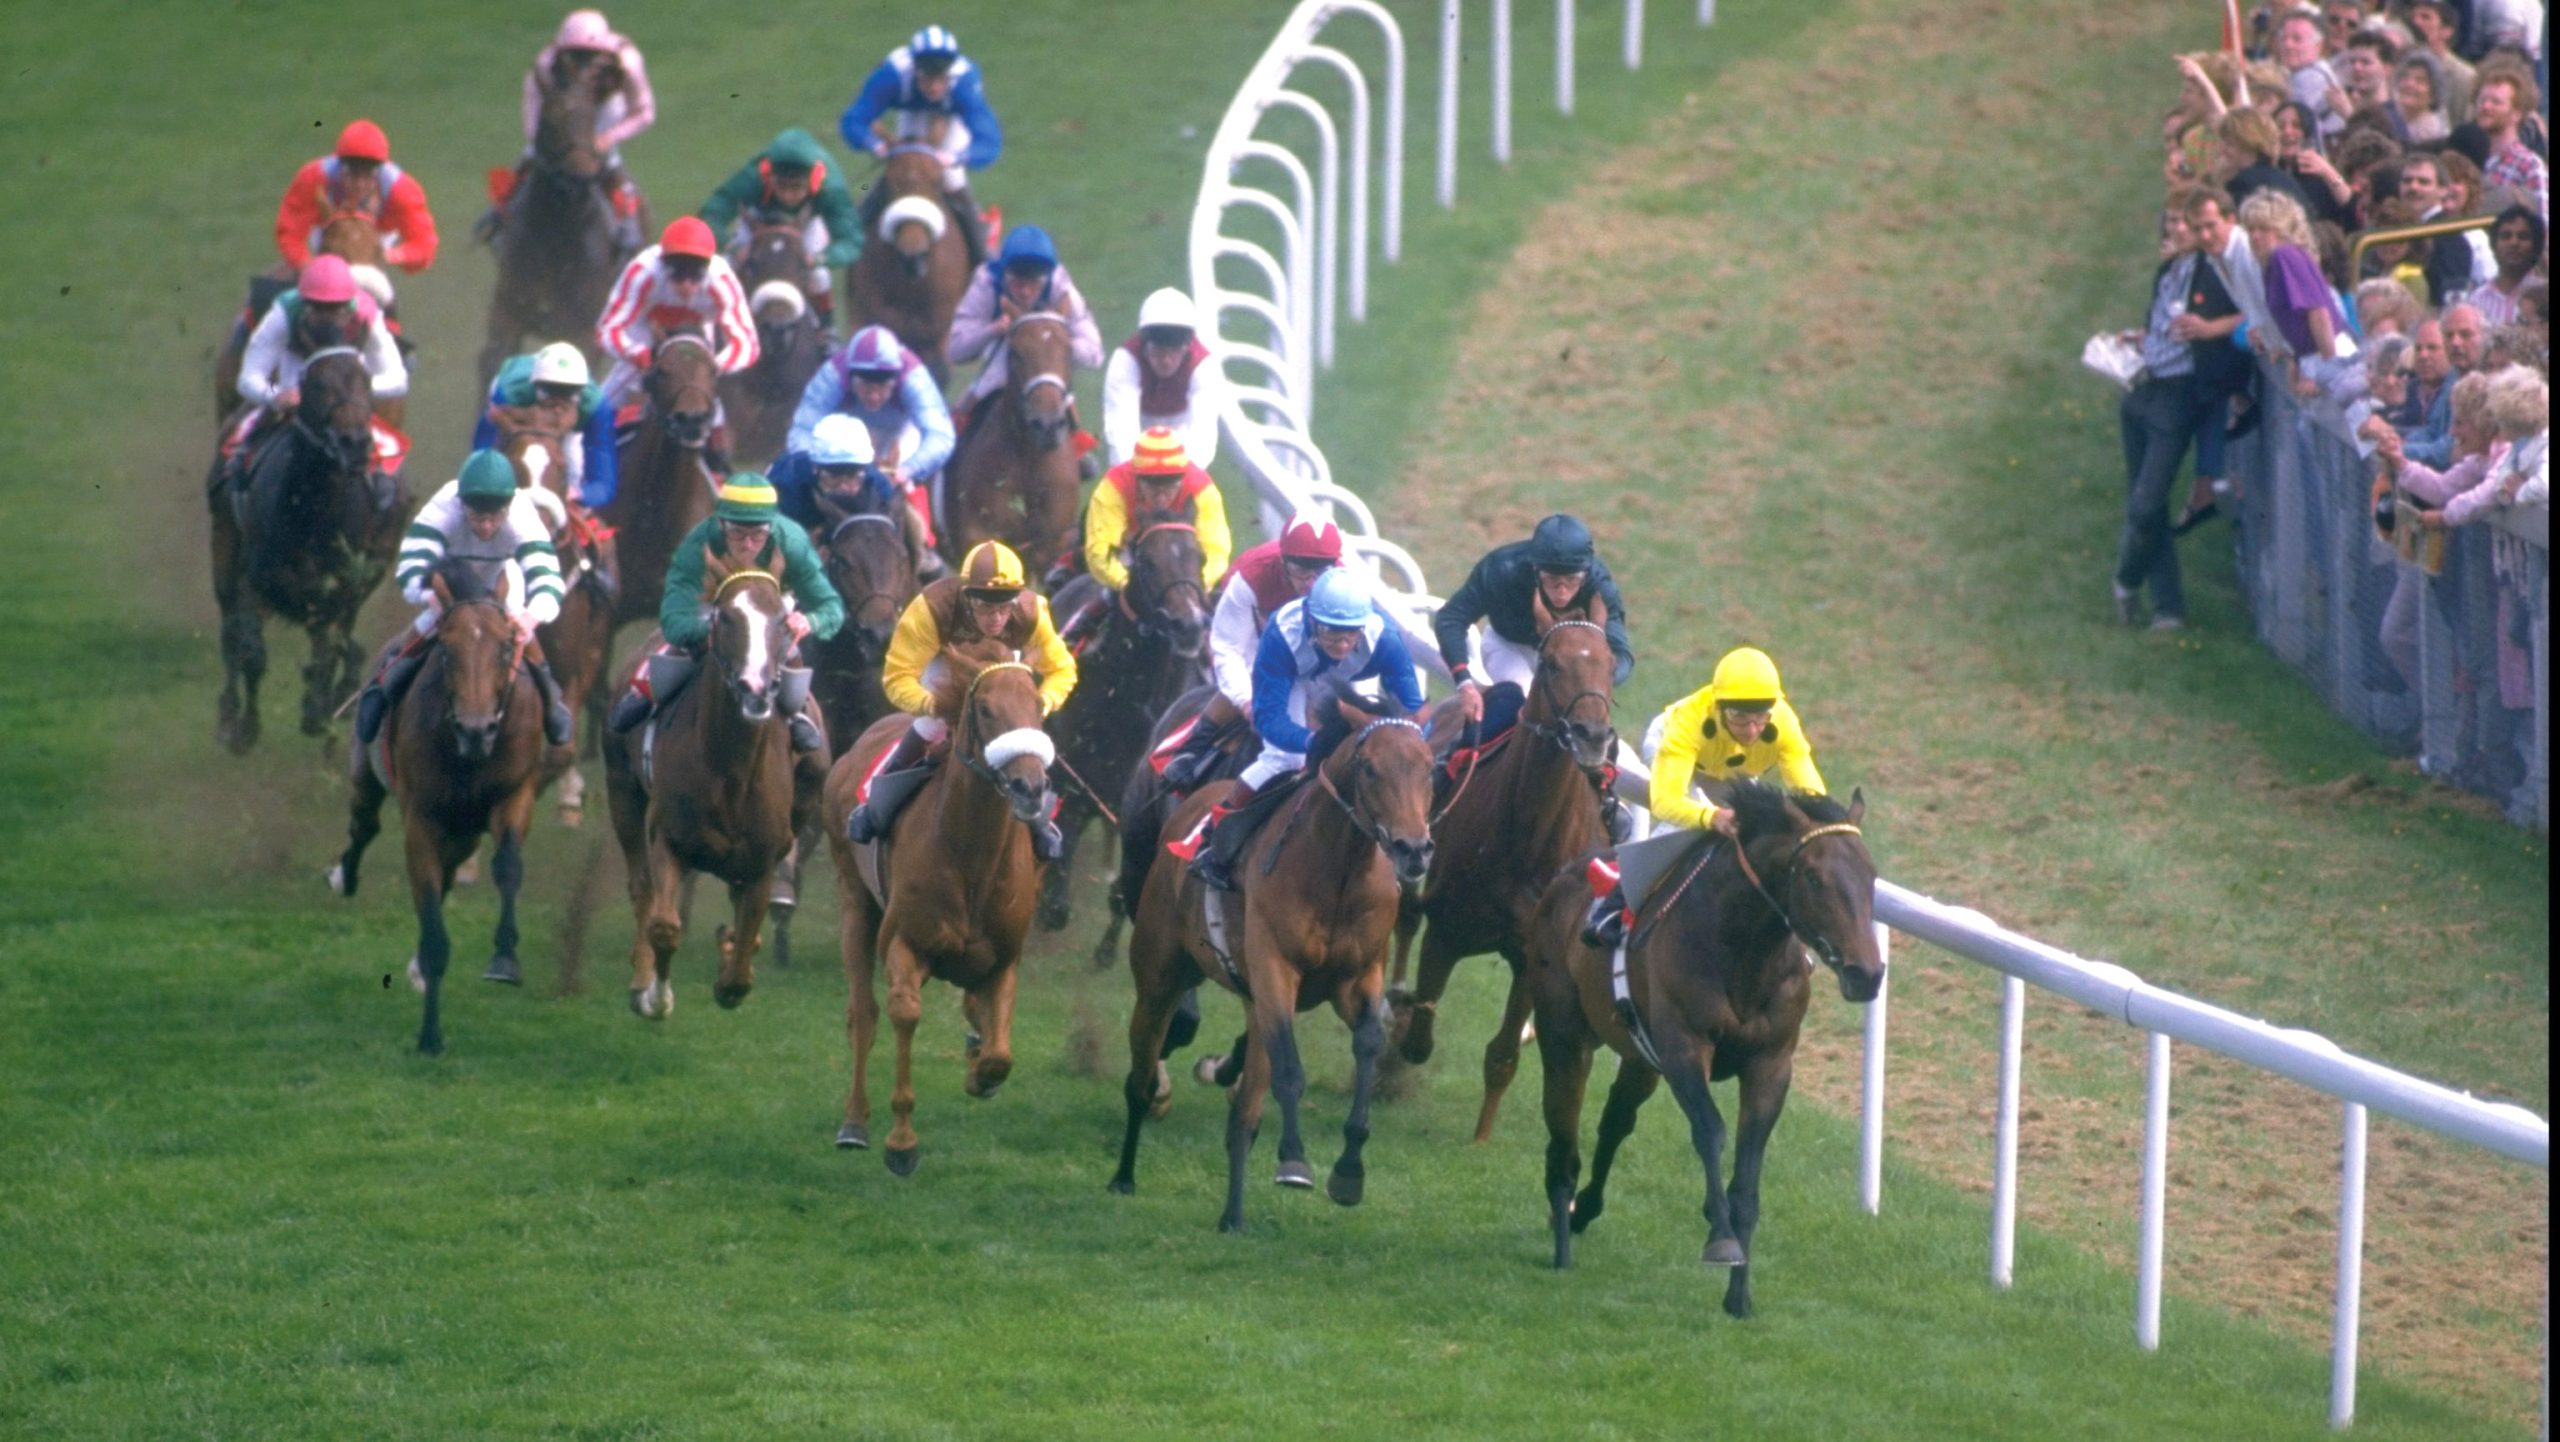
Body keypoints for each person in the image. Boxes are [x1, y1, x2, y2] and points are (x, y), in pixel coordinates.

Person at [1173, 566, 1426, 892]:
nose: (1344, 642)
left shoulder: (1384, 639)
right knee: (1285, 760)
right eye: (1333, 631)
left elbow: (1413, 708)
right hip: (1291, 677)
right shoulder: (1281, 634)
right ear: (1311, 621)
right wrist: (1313, 741)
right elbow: (1269, 720)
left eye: (1352, 632)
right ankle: (1215, 839)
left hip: (1347, 682)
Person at [1581, 647, 1826, 948]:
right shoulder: (1690, 722)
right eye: (1738, 717)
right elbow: (1666, 802)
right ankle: (1613, 899)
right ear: (1719, 707)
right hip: (1674, 751)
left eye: (1760, 717)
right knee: (1691, 825)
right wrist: (1710, 816)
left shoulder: (1783, 723)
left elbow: (1811, 791)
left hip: (1725, 769)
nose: (1751, 730)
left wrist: (1821, 826)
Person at [843, 541, 1076, 852]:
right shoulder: (931, 608)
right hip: (948, 665)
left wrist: (1042, 704)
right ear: (966, 596)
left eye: (1005, 607)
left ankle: (1039, 819)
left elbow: (1063, 671)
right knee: (931, 725)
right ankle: (877, 801)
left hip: (1005, 667)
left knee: (1022, 732)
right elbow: (897, 676)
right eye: (985, 607)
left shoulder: (1033, 612)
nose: (996, 619)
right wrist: (932, 704)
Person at [607, 475, 843, 753]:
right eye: (737, 532)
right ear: (720, 523)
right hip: (715, 607)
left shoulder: (791, 541)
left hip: (772, 610)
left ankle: (797, 714)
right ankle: (646, 693)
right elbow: (674, 614)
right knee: (676, 645)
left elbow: (830, 607)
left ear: (772, 526)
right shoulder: (699, 542)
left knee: (786, 651)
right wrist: (708, 630)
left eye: (758, 534)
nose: (748, 544)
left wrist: (809, 620)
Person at [357, 449, 574, 747]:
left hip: (500, 579)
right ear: (462, 505)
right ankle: (385, 685)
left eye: (495, 517)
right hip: (452, 579)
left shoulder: (522, 514)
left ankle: (550, 700)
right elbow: (412, 564)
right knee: (426, 625)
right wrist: (427, 596)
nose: (486, 526)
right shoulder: (444, 506)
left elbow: (548, 578)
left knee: (524, 636)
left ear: (508, 507)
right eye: (477, 516)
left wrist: (530, 617)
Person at [1156, 513, 1344, 791]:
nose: (1311, 584)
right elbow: (1228, 649)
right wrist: (1246, 702)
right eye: (1302, 573)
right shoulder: (1251, 578)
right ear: (1283, 563)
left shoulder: (1343, 584)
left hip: (1311, 651)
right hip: (1256, 641)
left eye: (1320, 573)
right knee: (1252, 678)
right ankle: (1192, 748)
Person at [1432, 513, 1636, 737]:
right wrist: (1464, 684)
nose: (1561, 591)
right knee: (1526, 700)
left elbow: (1621, 653)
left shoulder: (1599, 584)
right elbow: (1451, 618)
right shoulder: (1502, 569)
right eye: (1551, 579)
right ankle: (1461, 755)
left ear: (1586, 573)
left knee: (1587, 716)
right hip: (1509, 645)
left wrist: (1596, 678)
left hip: (1569, 657)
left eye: (1571, 580)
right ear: (1535, 569)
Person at [225, 255, 408, 485]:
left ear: (348, 304)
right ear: (305, 303)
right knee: (237, 439)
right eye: (319, 308)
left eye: (336, 309)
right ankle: (237, 469)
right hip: (294, 377)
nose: (328, 317)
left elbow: (398, 379)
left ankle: (387, 488)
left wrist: (356, 392)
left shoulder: (367, 315)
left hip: (348, 384)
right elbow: (247, 378)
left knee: (383, 453)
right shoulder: (283, 313)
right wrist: (274, 397)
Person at [786, 324, 953, 571]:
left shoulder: (913, 375)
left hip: (897, 436)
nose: (874, 396)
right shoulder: (833, 373)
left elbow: (941, 435)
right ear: (851, 377)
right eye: (866, 387)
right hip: (844, 436)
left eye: (883, 388)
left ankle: (923, 556)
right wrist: (820, 465)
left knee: (898, 485)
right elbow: (801, 430)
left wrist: (908, 470)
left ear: (896, 380)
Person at [839, 24, 1002, 265]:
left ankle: (981, 254)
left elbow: (989, 140)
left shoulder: (964, 84)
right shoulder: (891, 76)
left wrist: (956, 158)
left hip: (952, 117)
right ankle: (853, 230)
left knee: (952, 178)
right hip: (912, 111)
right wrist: (877, 146)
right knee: (905, 170)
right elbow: (853, 120)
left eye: (942, 79)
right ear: (915, 71)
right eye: (928, 78)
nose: (935, 87)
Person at [497, 10, 655, 251]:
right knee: (530, 157)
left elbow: (644, 112)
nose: (582, 62)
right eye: (574, 54)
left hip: (606, 112)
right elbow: (533, 112)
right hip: (559, 114)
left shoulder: (628, 64)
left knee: (609, 162)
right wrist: (547, 144)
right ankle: (501, 215)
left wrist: (606, 139)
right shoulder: (546, 65)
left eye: (589, 55)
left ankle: (628, 223)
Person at [592, 216, 759, 429]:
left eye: (695, 276)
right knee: (600, 407)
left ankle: (718, 456)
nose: (686, 286)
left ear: (707, 267)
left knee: (710, 410)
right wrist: (637, 353)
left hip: (696, 340)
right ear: (663, 264)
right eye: (677, 274)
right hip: (644, 333)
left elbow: (747, 344)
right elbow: (608, 329)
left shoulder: (722, 281)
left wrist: (715, 365)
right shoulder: (642, 272)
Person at [696, 128, 863, 332]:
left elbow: (851, 240)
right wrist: (733, 246)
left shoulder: (830, 186)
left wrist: (821, 259)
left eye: (796, 187)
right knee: (729, 266)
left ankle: (827, 332)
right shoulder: (754, 175)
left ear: (812, 180)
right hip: (759, 220)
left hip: (807, 223)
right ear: (769, 176)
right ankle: (718, 326)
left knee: (819, 275)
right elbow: (712, 213)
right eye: (781, 186)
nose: (788, 196)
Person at [946, 225, 1105, 436]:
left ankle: (1079, 450)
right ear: (1005, 274)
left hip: (1048, 359)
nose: (1025, 291)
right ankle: (956, 438)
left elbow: (1095, 353)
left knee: (1058, 396)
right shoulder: (987, 282)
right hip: (1003, 351)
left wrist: (1057, 346)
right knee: (985, 386)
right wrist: (991, 330)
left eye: (1034, 283)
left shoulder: (1060, 285)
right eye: (1016, 282)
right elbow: (955, 348)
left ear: (1046, 278)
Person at [767, 413, 937, 578]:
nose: (843, 487)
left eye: (852, 476)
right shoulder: (788, 482)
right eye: (833, 476)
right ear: (815, 468)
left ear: (864, 469)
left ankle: (922, 561)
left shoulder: (877, 485)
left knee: (912, 519)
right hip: (801, 534)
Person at [1079, 426, 1232, 597]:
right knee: (1103, 599)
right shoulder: (1114, 486)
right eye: (1151, 483)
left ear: (1183, 477)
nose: (1161, 495)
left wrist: (1198, 583)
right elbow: (1100, 552)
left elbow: (1216, 550)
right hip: (1130, 558)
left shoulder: (1202, 488)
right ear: (1136, 476)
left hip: (1186, 564)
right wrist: (1127, 583)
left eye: (1170, 483)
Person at [274, 120, 440, 277]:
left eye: (367, 175)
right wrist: (307, 267)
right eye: (353, 174)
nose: (360, 185)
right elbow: (290, 232)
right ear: (340, 167)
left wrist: (387, 255)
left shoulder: (402, 190)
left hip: (378, 237)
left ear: (379, 172)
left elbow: (424, 245)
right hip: (328, 232)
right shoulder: (313, 178)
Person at [468, 342, 618, 513]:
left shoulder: (596, 407)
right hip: (523, 408)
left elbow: (603, 483)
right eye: (549, 393)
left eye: (568, 395)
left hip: (569, 429)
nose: (557, 408)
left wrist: (576, 494)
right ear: (535, 387)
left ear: (581, 393)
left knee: (574, 471)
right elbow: (481, 456)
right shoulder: (510, 394)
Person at [1102, 288, 1224, 468]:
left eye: (1175, 351)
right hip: (1139, 423)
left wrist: (1178, 483)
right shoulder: (1125, 360)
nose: (1166, 361)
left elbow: (1202, 438)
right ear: (1145, 345)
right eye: (1158, 351)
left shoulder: (1204, 365)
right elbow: (1121, 432)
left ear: (1187, 347)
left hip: (1183, 428)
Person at [2472, 60, 2549, 221]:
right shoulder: (2472, 158)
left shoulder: (2529, 165)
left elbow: (2543, 224)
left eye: (2496, 102)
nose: (2486, 106)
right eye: (2482, 100)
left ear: (2517, 113)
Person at [2471, 204, 2548, 326]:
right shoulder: (2476, 299)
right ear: (2494, 244)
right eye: (2506, 236)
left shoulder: (2544, 294)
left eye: (2523, 237)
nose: (2514, 243)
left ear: (2535, 246)